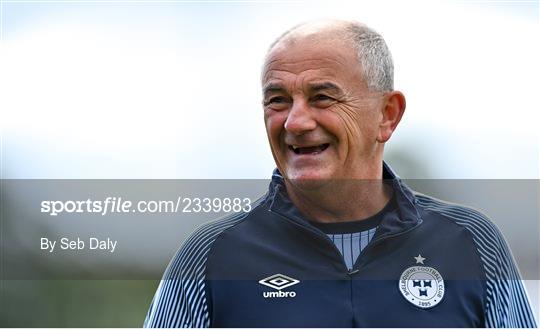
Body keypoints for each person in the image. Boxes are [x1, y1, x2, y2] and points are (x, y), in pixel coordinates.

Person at [144, 20, 537, 327]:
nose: (295, 122)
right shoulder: (210, 257)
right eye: (278, 100)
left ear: (387, 115)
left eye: (322, 98)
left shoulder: (471, 244)